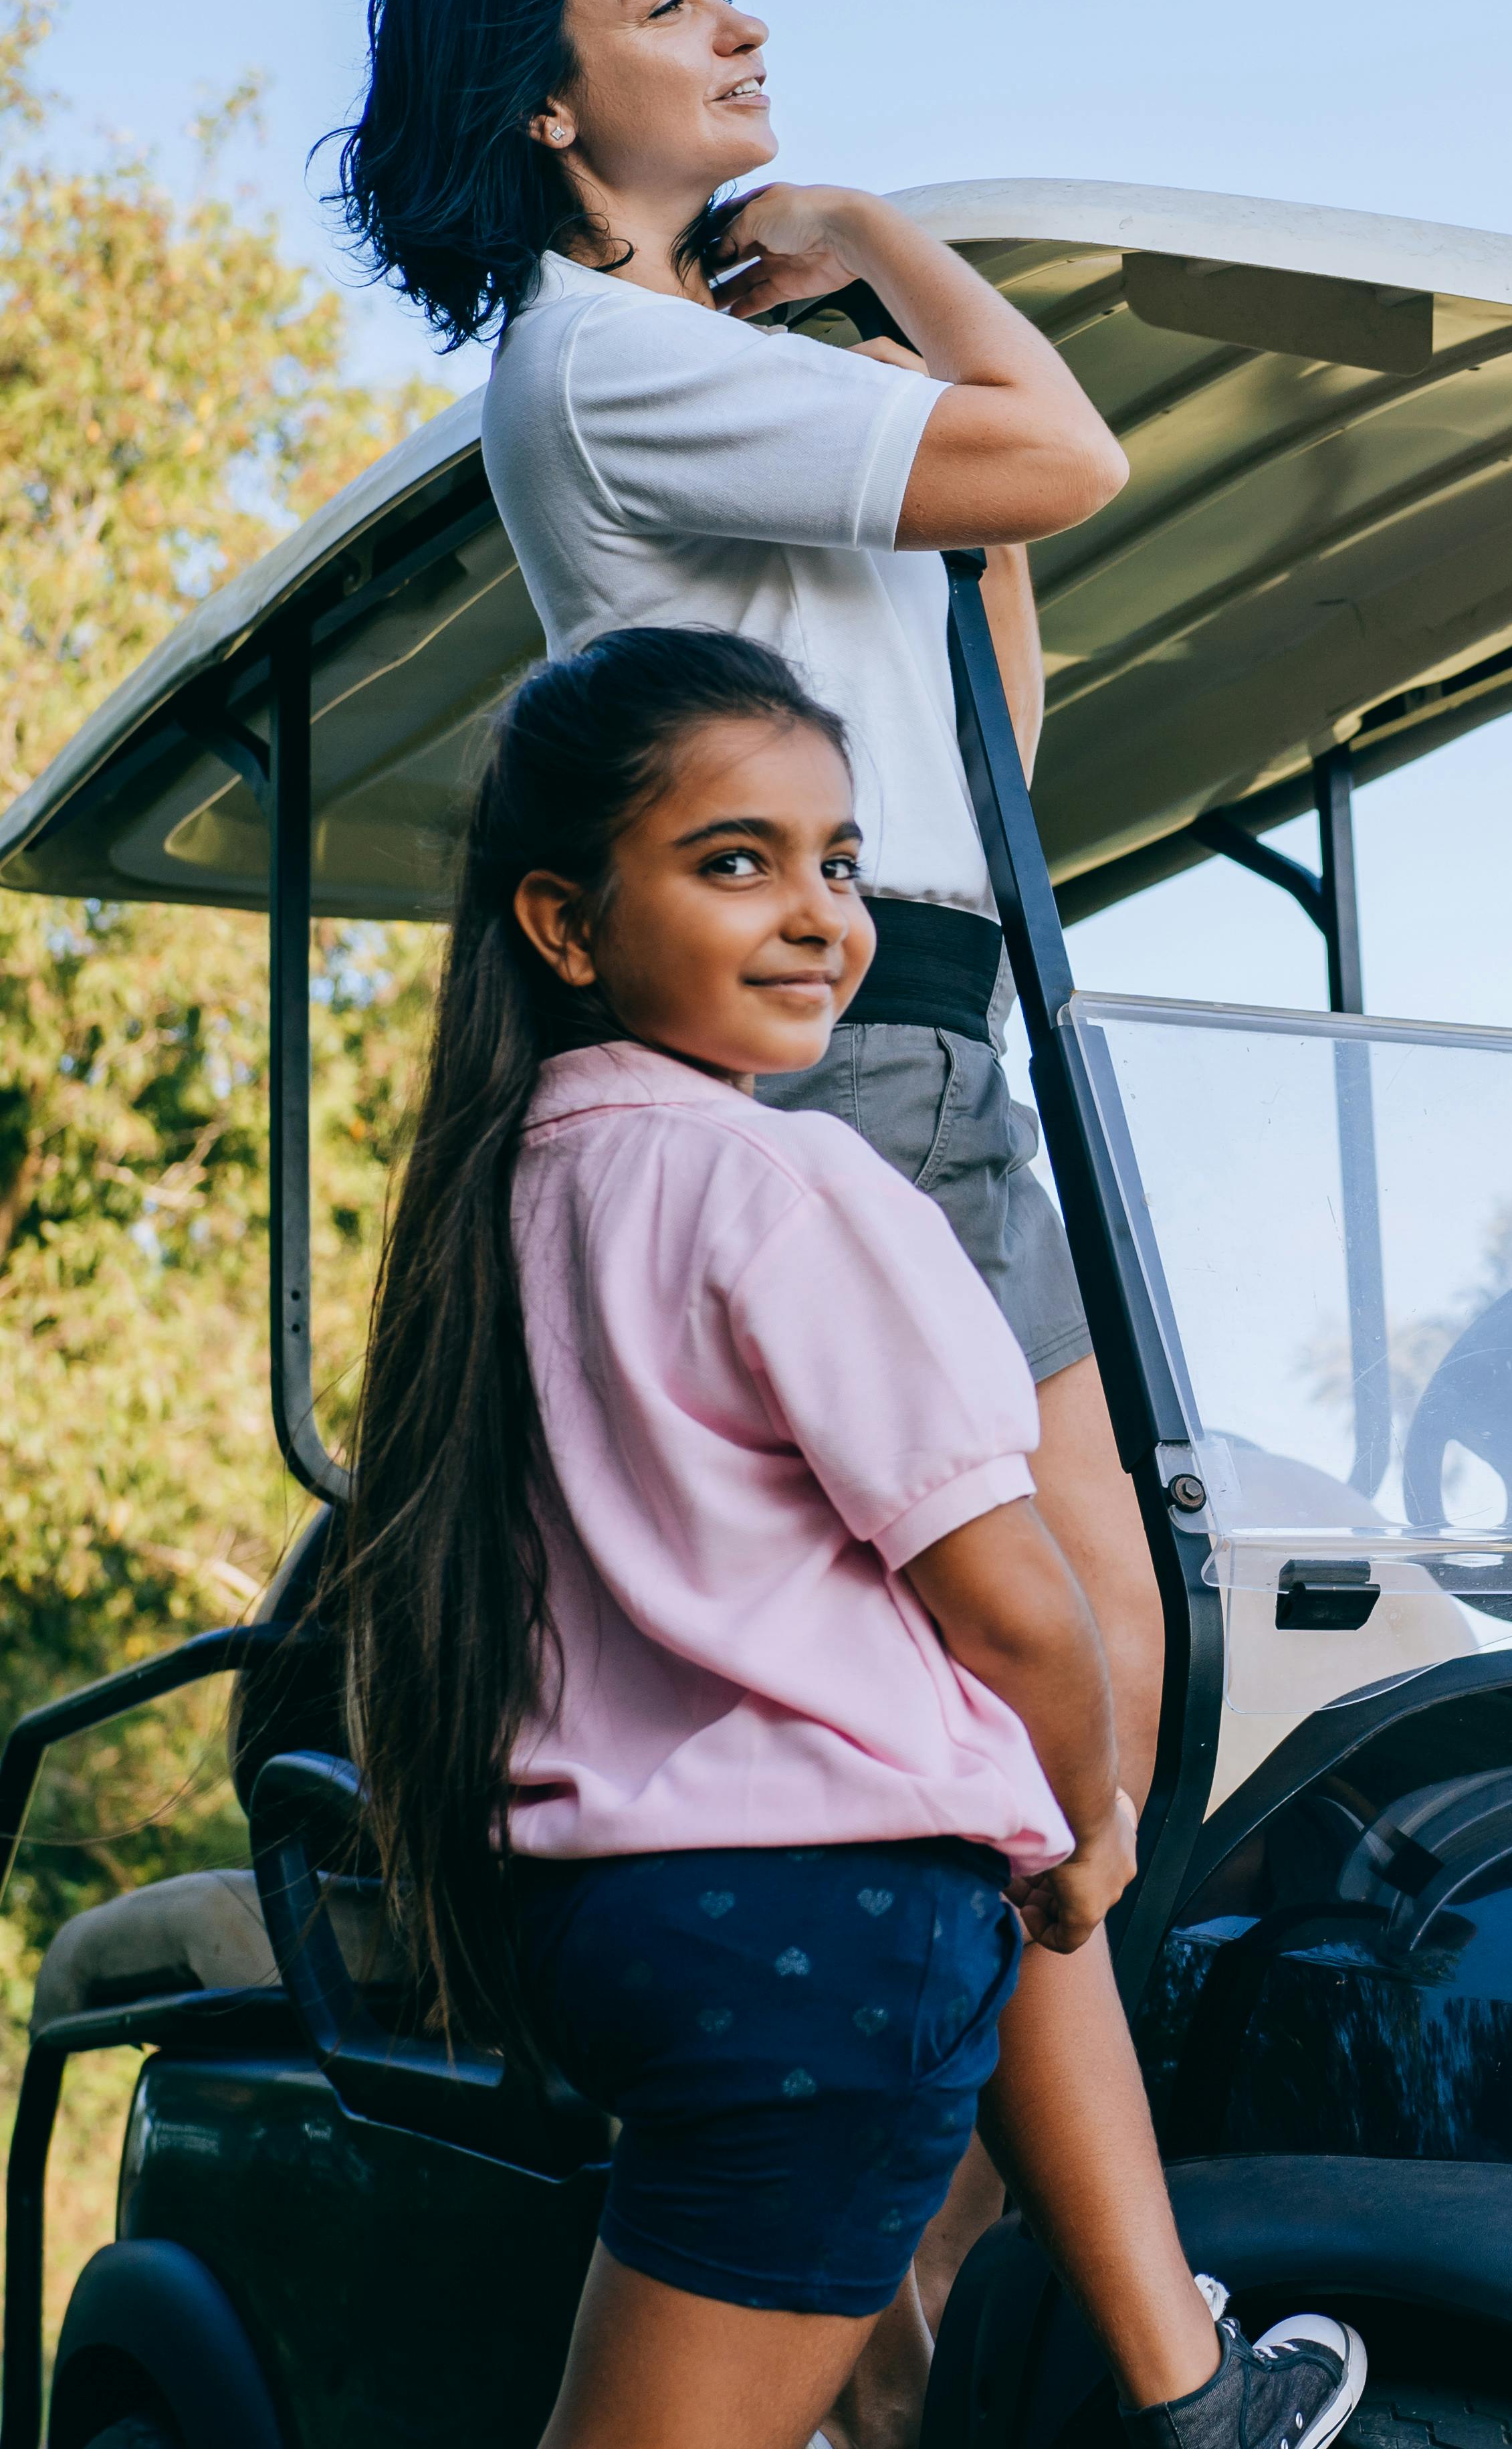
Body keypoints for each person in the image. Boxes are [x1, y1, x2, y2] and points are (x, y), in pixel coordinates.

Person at [329, 0, 1160, 2424]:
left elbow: (990, 661)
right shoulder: (611, 350)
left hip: (942, 1004)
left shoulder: (702, 363)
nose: (734, 30)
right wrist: (900, 240)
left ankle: (1028, 2326)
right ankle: (1000, 2353)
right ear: (555, 107)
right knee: (1035, 1681)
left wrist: (883, 325)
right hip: (876, 1050)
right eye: (666, 0)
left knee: (1082, 1691)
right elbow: (1070, 459)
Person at [310, 630, 1360, 2449]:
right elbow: (1018, 1603)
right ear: (564, 925)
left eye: (842, 862)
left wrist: (1042, 1827)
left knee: (991, 1835)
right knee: (1021, 1832)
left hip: (622, 1914)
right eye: (738, 863)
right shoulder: (792, 1182)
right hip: (814, 1947)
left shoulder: (512, 1186)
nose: (818, 915)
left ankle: (1185, 2391)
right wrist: (1101, 1809)